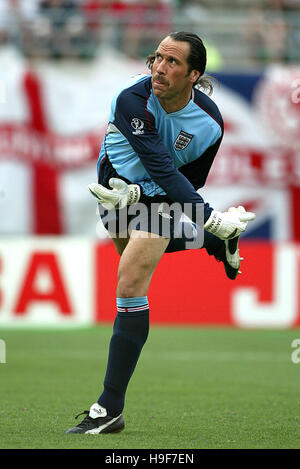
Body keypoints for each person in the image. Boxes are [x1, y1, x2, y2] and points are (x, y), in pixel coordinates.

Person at [66, 31, 255, 434]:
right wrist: (209, 223)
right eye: (157, 59)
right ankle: (214, 241)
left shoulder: (211, 124)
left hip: (159, 197)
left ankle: (109, 407)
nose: (159, 69)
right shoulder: (132, 100)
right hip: (116, 192)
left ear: (193, 74)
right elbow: (152, 162)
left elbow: (183, 178)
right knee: (131, 260)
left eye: (172, 63)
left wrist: (194, 210)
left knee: (131, 282)